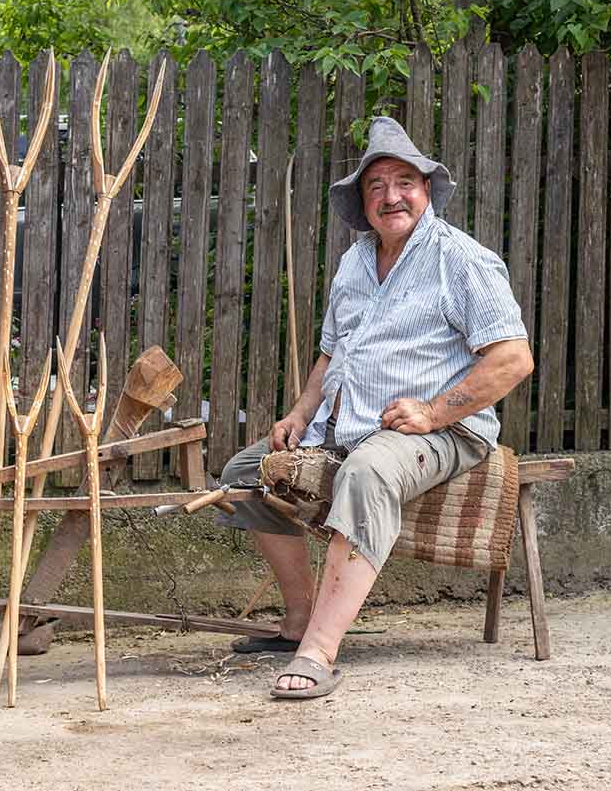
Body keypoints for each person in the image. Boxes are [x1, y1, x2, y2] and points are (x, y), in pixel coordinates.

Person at [217, 116, 534, 699]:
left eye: (404, 182)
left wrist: (436, 413)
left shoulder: (460, 259)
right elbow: (329, 355)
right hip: (348, 425)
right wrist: (299, 416)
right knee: (244, 472)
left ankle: (318, 651)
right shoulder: (355, 262)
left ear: (426, 189)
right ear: (362, 202)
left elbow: (513, 359)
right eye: (376, 186)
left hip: (441, 431)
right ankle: (297, 622)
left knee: (366, 472)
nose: (391, 196)